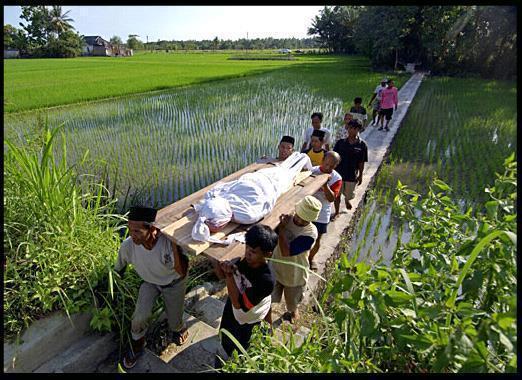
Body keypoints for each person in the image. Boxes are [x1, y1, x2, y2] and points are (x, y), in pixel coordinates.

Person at [116, 206, 190, 369]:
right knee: (139, 318)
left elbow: (182, 271)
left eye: (137, 231)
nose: (132, 235)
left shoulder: (167, 244)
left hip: (173, 283)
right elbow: (118, 269)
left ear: (153, 229)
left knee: (174, 321)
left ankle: (178, 328)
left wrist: (174, 244)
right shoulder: (128, 246)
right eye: (130, 230)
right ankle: (137, 346)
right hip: (149, 282)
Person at [191, 152, 311, 243]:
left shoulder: (245, 215)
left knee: (287, 173)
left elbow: (267, 206)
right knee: (284, 170)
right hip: (256, 179)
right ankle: (300, 156)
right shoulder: (214, 198)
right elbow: (217, 189)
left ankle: (302, 157)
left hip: (268, 184)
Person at [216, 224, 279, 364]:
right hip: (234, 306)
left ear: (267, 254)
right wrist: (221, 265)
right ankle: (225, 355)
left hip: (248, 316)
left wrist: (229, 275)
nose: (247, 254)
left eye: (254, 252)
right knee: (225, 335)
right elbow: (220, 275)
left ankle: (237, 363)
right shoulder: (247, 260)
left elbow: (239, 304)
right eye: (247, 248)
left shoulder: (266, 280)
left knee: (241, 346)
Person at [266, 195, 322, 324]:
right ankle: (267, 319)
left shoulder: (310, 234)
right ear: (297, 210)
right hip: (276, 266)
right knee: (269, 296)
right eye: (299, 216)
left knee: (292, 299)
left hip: (295, 272)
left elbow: (286, 252)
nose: (300, 221)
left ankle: (293, 311)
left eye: (305, 220)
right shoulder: (288, 218)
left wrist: (282, 229)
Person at [308, 151, 342, 270]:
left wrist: (325, 185)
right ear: (322, 160)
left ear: (335, 166)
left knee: (318, 237)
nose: (327, 167)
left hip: (322, 211)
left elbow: (332, 198)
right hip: (307, 209)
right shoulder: (312, 171)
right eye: (326, 164)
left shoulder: (336, 178)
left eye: (331, 166)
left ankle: (311, 258)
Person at [333, 120, 368, 216]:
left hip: (351, 174)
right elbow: (333, 157)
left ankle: (347, 200)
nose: (351, 131)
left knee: (349, 194)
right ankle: (336, 212)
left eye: (354, 129)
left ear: (358, 130)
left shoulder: (362, 145)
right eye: (349, 128)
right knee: (337, 195)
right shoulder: (340, 143)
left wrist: (360, 175)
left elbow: (361, 162)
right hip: (338, 173)